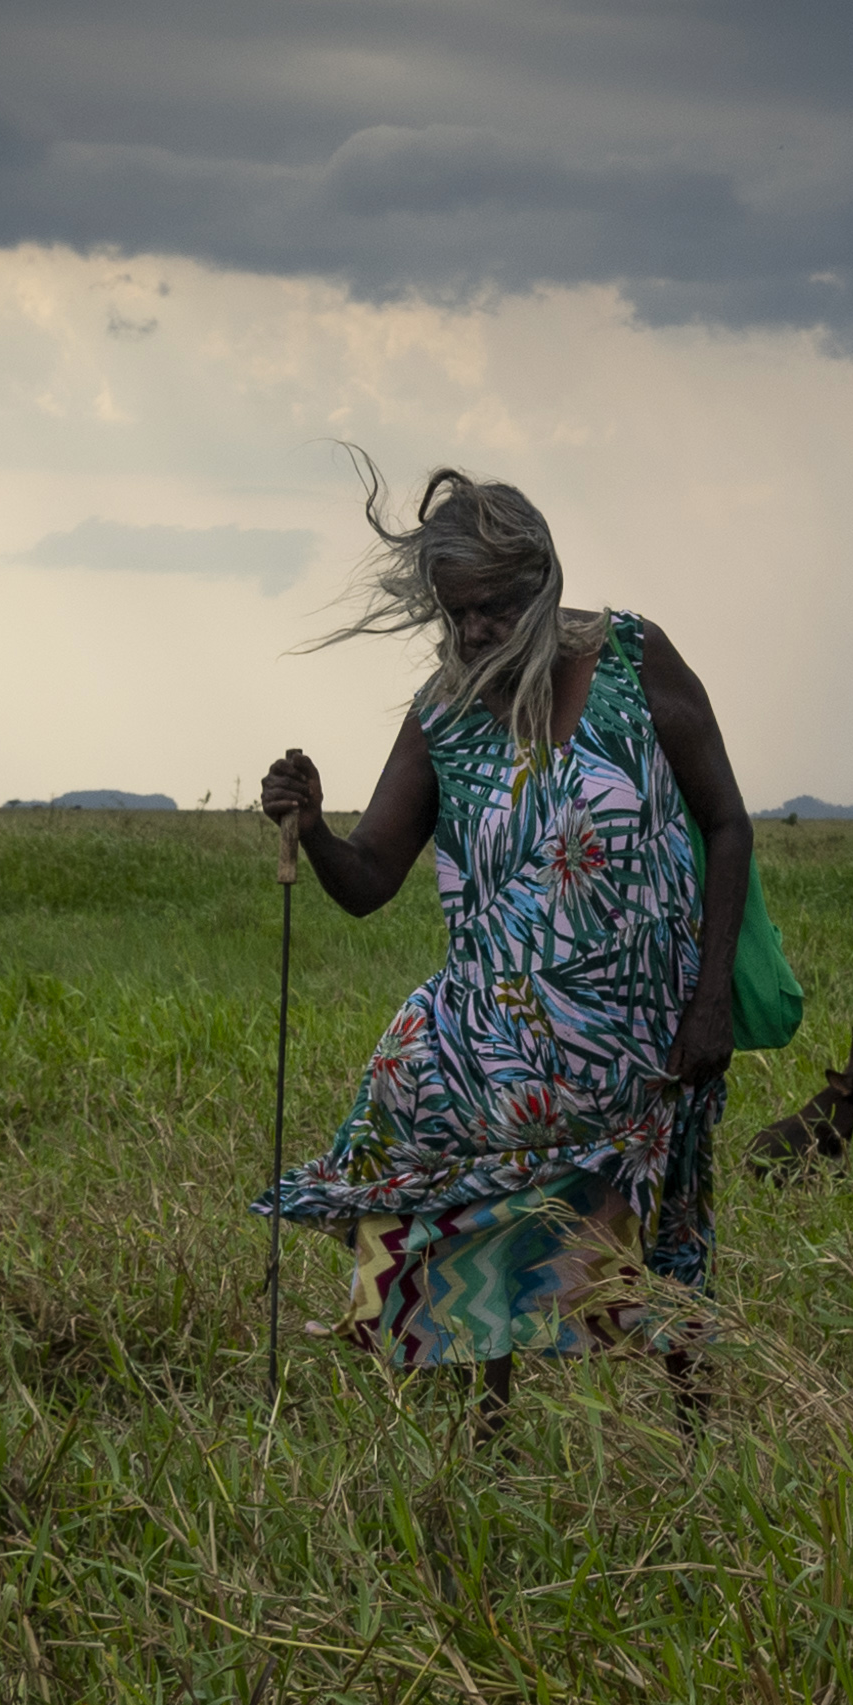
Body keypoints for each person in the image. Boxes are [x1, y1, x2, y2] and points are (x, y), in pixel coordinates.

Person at [255, 468, 754, 1418]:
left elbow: (727, 823)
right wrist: (315, 828)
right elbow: (369, 881)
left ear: (545, 584)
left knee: (668, 1238)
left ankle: (697, 1433)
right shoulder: (442, 713)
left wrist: (711, 1000)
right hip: (495, 1045)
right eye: (456, 614)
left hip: (647, 1047)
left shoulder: (633, 663)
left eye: (492, 608)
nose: (474, 632)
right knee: (474, 1219)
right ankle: (492, 1430)